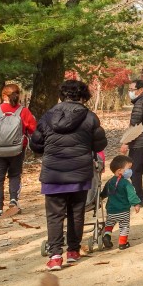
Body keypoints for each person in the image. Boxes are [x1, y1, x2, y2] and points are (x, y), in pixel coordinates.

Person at [30, 80, 107, 272]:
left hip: (53, 174)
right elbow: (99, 145)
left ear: (62, 95)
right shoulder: (90, 117)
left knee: (54, 216)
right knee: (76, 212)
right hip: (79, 173)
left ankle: (55, 256)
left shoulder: (48, 116)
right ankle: (73, 251)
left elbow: (36, 145)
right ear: (83, 97)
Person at [0, 84, 36, 217]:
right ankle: (13, 200)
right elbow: (33, 129)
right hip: (17, 150)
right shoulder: (23, 111)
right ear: (18, 95)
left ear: (3, 96)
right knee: (15, 175)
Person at [99, 155, 141, 250]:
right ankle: (122, 243)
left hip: (111, 211)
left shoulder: (109, 182)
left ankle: (107, 236)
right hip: (123, 211)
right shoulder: (126, 183)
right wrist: (136, 204)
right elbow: (132, 195)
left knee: (109, 224)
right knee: (124, 227)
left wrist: (100, 197)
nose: (130, 171)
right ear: (119, 171)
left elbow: (105, 192)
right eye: (128, 168)